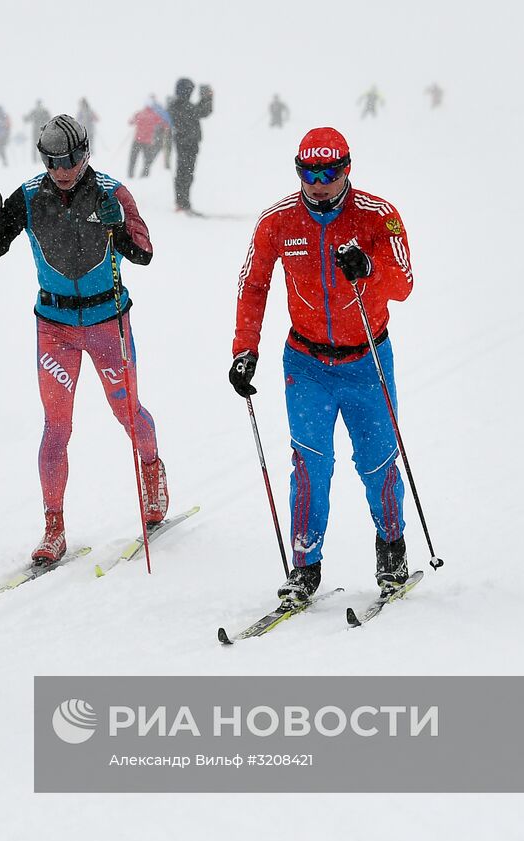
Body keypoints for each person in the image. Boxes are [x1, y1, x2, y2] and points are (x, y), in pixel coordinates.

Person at [228, 127, 415, 606]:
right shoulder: (277, 221)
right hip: (307, 363)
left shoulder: (379, 216)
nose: (319, 183)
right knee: (310, 465)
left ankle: (391, 548)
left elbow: (403, 284)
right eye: (308, 173)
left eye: (330, 172)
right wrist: (244, 349)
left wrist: (369, 268)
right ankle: (305, 567)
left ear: (347, 169)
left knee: (376, 463)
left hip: (367, 359)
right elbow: (253, 286)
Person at [0, 114, 167, 563]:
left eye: (72, 158)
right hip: (54, 328)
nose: (63, 169)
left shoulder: (112, 192)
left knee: (128, 413)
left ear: (86, 153)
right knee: (56, 427)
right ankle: (53, 527)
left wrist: (117, 227)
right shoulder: (29, 196)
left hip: (106, 321)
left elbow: (145, 253)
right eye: (53, 160)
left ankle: (152, 471)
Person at [167, 77, 213, 213]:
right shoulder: (179, 105)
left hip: (189, 143)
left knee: (186, 172)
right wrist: (207, 98)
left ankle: (183, 202)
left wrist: (207, 98)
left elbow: (200, 111)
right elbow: (201, 111)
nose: (190, 92)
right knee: (185, 173)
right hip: (185, 144)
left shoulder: (181, 104)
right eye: (189, 90)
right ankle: (182, 203)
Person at [128, 98, 163, 178]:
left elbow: (130, 122)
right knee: (147, 160)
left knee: (133, 158)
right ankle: (144, 175)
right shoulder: (155, 115)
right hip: (148, 142)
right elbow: (162, 124)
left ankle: (130, 174)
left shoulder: (139, 113)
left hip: (137, 139)